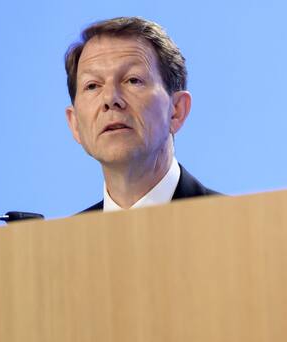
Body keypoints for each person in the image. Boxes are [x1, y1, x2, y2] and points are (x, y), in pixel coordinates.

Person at [64, 17, 219, 213]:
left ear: (177, 110)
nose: (110, 99)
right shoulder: (62, 241)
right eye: (93, 85)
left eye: (133, 80)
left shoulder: (240, 227)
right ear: (75, 123)